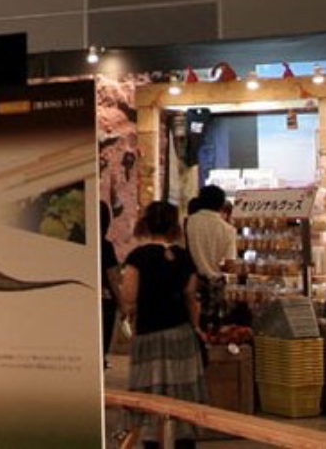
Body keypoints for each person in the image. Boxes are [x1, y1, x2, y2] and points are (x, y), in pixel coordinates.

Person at [119, 200, 208, 448]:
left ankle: (153, 440)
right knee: (181, 391)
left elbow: (129, 297)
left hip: (149, 333)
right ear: (174, 226)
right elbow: (191, 298)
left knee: (151, 390)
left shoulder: (138, 257)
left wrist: (129, 316)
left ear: (145, 225)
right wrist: (196, 327)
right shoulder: (184, 257)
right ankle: (182, 439)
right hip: (181, 334)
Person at [184, 184, 236, 325]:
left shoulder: (188, 222)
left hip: (190, 282)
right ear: (221, 204)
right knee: (214, 327)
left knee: (191, 325)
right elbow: (230, 265)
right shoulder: (228, 230)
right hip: (215, 285)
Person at [99, 202, 122, 362]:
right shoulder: (106, 246)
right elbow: (113, 277)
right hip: (105, 298)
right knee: (103, 334)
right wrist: (122, 302)